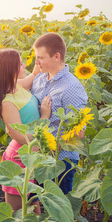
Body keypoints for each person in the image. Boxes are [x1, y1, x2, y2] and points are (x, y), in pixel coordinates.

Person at [0, 48, 51, 215]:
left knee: (34, 217)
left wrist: (39, 63)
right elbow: (24, 139)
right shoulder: (7, 102)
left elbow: (33, 76)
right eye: (21, 63)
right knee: (18, 218)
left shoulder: (17, 86)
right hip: (19, 159)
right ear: (11, 68)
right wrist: (44, 116)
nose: (24, 65)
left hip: (30, 156)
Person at [30, 32, 88, 195]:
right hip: (39, 158)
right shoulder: (40, 79)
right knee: (36, 207)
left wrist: (51, 149)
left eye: (40, 57)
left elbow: (79, 131)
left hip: (61, 161)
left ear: (56, 56)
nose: (36, 62)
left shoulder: (71, 88)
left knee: (57, 213)